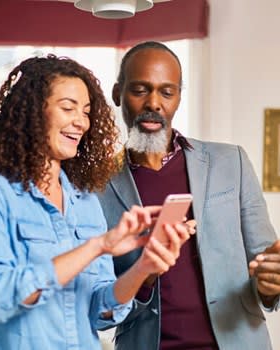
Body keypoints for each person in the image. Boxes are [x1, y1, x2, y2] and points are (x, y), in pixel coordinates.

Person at [0, 54, 194, 350]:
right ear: (33, 113)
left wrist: (143, 269)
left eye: (86, 111)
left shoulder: (85, 201)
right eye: (68, 108)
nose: (81, 122)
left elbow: (100, 312)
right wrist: (97, 246)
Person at [97, 41, 280, 350]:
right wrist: (143, 276)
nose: (154, 103)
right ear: (118, 93)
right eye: (140, 90)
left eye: (166, 92)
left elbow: (264, 263)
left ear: (179, 97)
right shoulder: (94, 186)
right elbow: (101, 307)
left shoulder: (231, 161)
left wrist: (270, 286)